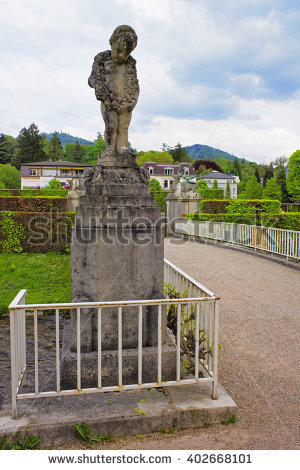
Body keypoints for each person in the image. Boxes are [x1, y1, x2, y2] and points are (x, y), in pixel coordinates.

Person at [88, 25, 139, 155]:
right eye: (119, 50)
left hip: (126, 100)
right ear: (112, 42)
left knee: (123, 126)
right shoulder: (102, 58)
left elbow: (134, 82)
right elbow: (93, 78)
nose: (122, 56)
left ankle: (122, 147)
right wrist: (98, 86)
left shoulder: (130, 63)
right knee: (111, 125)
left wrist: (131, 99)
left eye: (126, 53)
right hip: (108, 100)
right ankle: (110, 148)